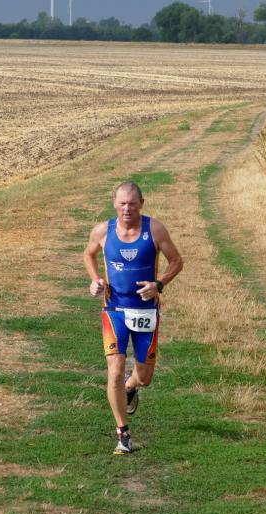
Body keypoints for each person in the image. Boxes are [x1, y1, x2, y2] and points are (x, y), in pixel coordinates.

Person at [82, 181, 183, 454]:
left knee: (145, 377)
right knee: (114, 369)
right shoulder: (102, 231)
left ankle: (131, 385)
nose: (127, 208)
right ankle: (123, 435)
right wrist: (95, 280)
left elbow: (177, 261)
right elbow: (88, 254)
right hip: (114, 309)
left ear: (141, 204)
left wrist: (158, 284)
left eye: (132, 204)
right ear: (114, 204)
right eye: (122, 203)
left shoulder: (155, 229)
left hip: (145, 311)